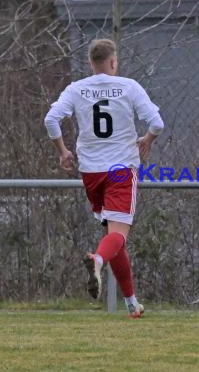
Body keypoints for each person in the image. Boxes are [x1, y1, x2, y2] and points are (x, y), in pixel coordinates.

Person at [44, 38, 164, 318]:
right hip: (120, 170)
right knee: (118, 236)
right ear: (113, 62)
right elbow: (157, 123)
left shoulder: (76, 89)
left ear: (90, 64)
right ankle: (97, 259)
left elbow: (51, 120)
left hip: (91, 172)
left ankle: (132, 303)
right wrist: (147, 139)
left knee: (114, 236)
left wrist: (62, 152)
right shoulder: (129, 86)